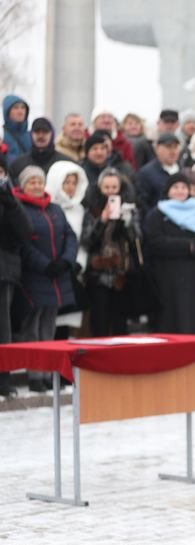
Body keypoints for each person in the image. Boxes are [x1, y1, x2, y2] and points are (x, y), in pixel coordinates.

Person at [12, 166, 78, 392]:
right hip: (34, 276)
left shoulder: (55, 209)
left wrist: (66, 260)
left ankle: (49, 373)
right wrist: (44, 265)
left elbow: (70, 235)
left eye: (40, 181)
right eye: (32, 182)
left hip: (57, 276)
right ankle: (35, 375)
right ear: (23, 186)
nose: (37, 186)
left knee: (49, 327)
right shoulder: (19, 209)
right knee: (32, 328)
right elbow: (23, 244)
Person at [144, 173, 195, 334]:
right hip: (167, 276)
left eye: (184, 187)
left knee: (194, 318)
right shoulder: (157, 214)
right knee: (172, 319)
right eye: (175, 187)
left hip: (194, 276)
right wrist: (188, 246)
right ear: (168, 190)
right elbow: (156, 242)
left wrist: (193, 247)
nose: (180, 191)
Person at [79, 168, 141, 337]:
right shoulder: (91, 210)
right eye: (106, 187)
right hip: (98, 274)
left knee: (120, 324)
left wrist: (127, 222)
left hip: (122, 274)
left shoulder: (129, 209)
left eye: (114, 187)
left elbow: (137, 240)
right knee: (99, 322)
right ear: (100, 188)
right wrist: (102, 221)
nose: (110, 191)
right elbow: (86, 240)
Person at [45, 161, 89, 335]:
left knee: (66, 322)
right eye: (66, 182)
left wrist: (79, 263)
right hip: (51, 270)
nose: (71, 187)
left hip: (72, 271)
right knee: (49, 322)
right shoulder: (48, 208)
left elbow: (82, 240)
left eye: (74, 183)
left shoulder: (80, 210)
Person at [0, 179, 33, 399]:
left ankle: (3, 379)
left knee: (3, 329)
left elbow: (25, 231)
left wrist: (10, 202)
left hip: (3, 272)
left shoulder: (9, 199)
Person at [9, 118, 72, 183]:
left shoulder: (65, 164)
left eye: (45, 132)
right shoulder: (18, 165)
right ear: (31, 134)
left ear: (52, 134)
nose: (41, 136)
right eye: (37, 132)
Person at [137, 133, 182, 216]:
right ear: (157, 149)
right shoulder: (147, 173)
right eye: (168, 147)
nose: (173, 151)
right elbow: (143, 204)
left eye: (175, 147)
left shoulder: (182, 171)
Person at [2, 95, 30, 163]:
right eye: (15, 108)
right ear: (7, 112)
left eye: (23, 108)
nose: (20, 112)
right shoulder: (2, 136)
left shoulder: (32, 136)